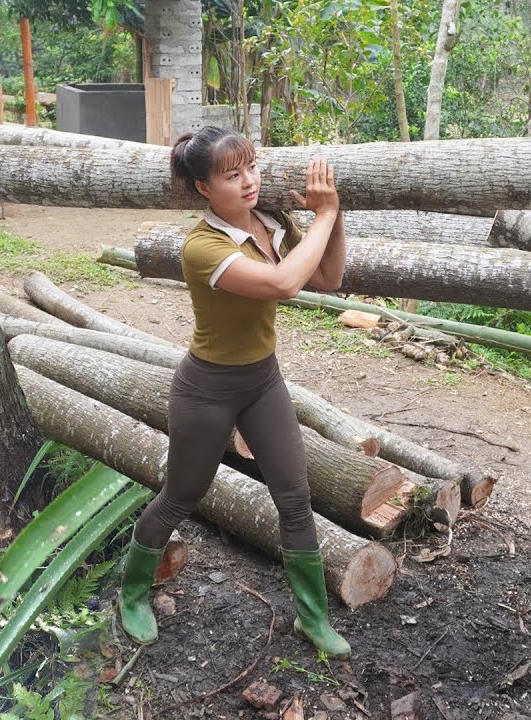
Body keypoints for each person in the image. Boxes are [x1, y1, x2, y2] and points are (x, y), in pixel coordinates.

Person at [118, 127, 351, 658]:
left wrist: (327, 220)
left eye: (251, 168)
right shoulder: (202, 247)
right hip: (207, 390)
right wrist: (327, 215)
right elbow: (282, 285)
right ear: (203, 188)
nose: (248, 182)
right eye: (231, 174)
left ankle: (312, 620)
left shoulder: (271, 223)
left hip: (262, 381)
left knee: (294, 496)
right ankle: (132, 594)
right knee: (182, 496)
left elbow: (330, 278)